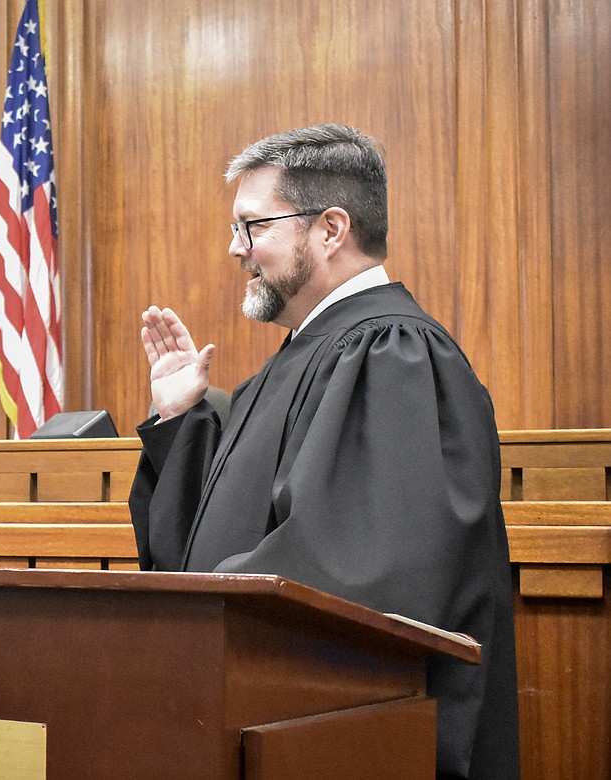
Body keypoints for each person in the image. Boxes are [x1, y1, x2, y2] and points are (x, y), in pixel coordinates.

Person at [128, 124, 518, 779]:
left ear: (330, 230)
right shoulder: (284, 371)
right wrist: (180, 419)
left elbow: (353, 583)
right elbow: (196, 561)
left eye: (252, 227)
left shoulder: (394, 356)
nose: (235, 249)